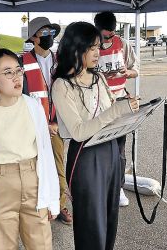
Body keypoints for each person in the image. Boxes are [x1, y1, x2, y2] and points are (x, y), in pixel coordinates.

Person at [51, 22, 139, 250]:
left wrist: (131, 111)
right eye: (91, 48)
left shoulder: (98, 78)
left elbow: (111, 115)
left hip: (111, 151)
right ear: (75, 48)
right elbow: (79, 131)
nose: (97, 53)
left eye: (98, 47)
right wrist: (118, 110)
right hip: (85, 157)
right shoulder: (62, 85)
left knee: (110, 216)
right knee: (91, 222)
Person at [0, 48, 60, 250]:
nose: (17, 77)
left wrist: (52, 198)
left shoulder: (33, 106)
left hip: (33, 178)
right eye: (8, 73)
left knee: (42, 244)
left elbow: (45, 153)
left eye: (18, 71)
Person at [22, 17, 72, 224]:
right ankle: (38, 206)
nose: (49, 36)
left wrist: (57, 123)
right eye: (44, 33)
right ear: (33, 38)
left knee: (59, 167)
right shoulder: (21, 63)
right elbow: (20, 97)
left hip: (56, 126)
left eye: (51, 32)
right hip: (31, 127)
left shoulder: (62, 60)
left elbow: (69, 95)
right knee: (33, 170)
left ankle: (60, 206)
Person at [94, 11, 139, 207]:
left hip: (120, 100)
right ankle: (99, 186)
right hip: (97, 105)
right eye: (106, 35)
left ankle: (118, 187)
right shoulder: (89, 45)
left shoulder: (122, 44)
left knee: (119, 149)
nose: (109, 38)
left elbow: (135, 68)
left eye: (112, 34)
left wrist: (128, 72)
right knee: (98, 148)